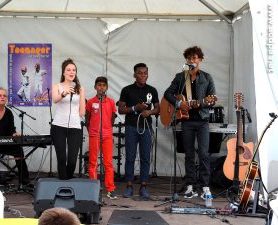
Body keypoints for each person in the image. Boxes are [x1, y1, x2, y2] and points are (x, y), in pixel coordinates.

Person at [164, 46, 216, 199]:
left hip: (202, 121)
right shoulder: (181, 77)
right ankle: (190, 185)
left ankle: (205, 186)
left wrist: (201, 103)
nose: (192, 60)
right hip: (186, 121)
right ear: (186, 60)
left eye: (195, 58)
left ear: (200, 59)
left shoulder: (207, 78)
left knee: (204, 153)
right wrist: (180, 104)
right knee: (189, 154)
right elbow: (168, 93)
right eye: (189, 58)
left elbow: (212, 99)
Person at [118, 63, 160, 199]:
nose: (143, 75)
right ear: (134, 75)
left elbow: (158, 108)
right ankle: (129, 186)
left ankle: (143, 186)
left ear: (148, 74)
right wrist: (135, 108)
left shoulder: (152, 90)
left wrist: (150, 112)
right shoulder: (126, 90)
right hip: (131, 127)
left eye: (145, 73)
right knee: (130, 157)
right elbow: (121, 110)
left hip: (146, 127)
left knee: (145, 158)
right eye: (140, 73)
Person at [51, 58, 85, 180]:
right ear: (63, 72)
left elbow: (82, 111)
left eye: (74, 70)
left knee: (72, 160)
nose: (71, 72)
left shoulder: (80, 89)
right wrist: (64, 94)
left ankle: (67, 179)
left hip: (75, 126)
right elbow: (55, 99)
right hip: (59, 125)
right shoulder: (57, 86)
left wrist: (79, 109)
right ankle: (63, 182)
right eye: (68, 70)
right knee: (61, 158)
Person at [85, 76, 117, 199]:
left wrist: (107, 129)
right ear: (95, 87)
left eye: (104, 85)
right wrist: (92, 131)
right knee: (93, 162)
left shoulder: (111, 102)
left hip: (107, 135)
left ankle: (110, 189)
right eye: (99, 85)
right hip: (94, 135)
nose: (101, 87)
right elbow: (87, 119)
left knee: (108, 163)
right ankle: (93, 188)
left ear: (107, 87)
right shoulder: (90, 102)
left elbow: (112, 118)